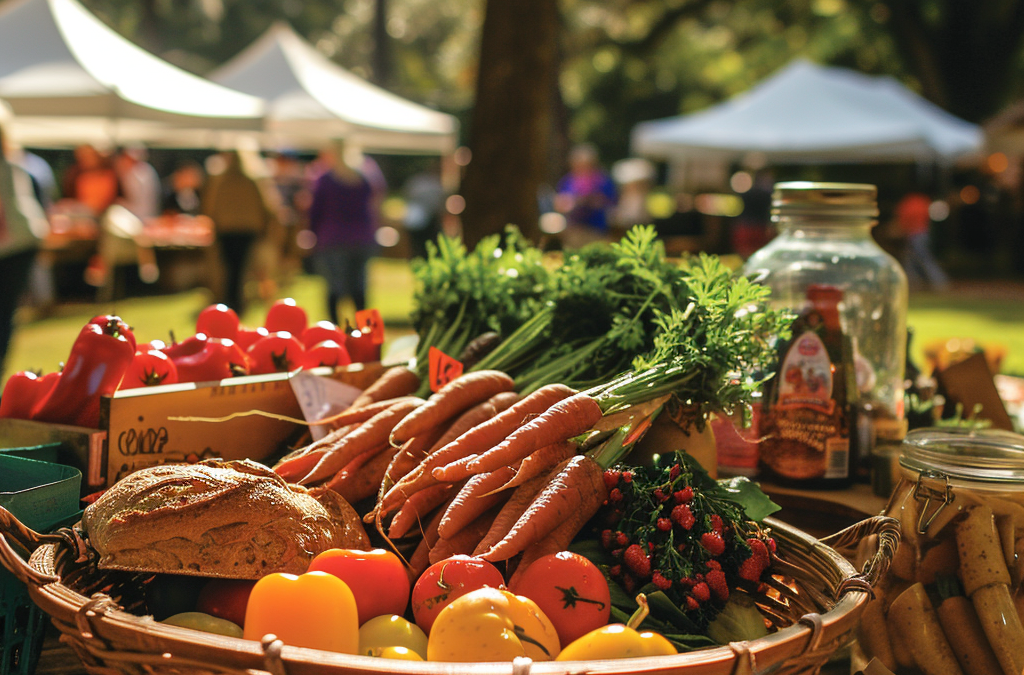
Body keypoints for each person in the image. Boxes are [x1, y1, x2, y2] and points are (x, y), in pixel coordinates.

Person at [307, 140, 384, 323]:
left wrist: (313, 234)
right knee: (359, 285)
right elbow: (374, 206)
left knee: (335, 285)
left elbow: (315, 211)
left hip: (333, 238)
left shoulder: (325, 180)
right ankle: (364, 329)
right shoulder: (364, 177)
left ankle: (333, 329)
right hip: (361, 238)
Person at [0, 124, 48, 378]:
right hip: (21, 243)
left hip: (15, 245)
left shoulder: (12, 165)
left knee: (5, 313)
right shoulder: (17, 163)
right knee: (5, 313)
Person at [201, 150, 271, 312]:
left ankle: (230, 298)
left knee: (229, 267)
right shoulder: (250, 181)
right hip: (246, 230)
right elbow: (264, 206)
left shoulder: (221, 181)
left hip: (227, 230)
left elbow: (210, 206)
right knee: (240, 267)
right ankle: (235, 299)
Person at [554, 143, 617, 248]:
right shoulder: (567, 181)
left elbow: (612, 204)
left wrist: (591, 201)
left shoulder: (603, 181)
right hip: (573, 230)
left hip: (597, 231)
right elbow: (559, 204)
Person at [896, 191, 949, 291]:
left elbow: (904, 220)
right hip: (923, 234)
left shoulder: (909, 203)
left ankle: (940, 282)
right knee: (910, 261)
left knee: (924, 259)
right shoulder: (923, 201)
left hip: (915, 235)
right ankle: (911, 283)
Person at [61, 144, 119, 218]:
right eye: (82, 157)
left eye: (87, 156)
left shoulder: (108, 176)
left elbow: (100, 205)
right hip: (82, 215)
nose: (84, 160)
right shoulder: (79, 176)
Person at [402, 161, 444, 259]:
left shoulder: (417, 181)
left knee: (418, 246)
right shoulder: (435, 184)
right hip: (421, 220)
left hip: (419, 220)